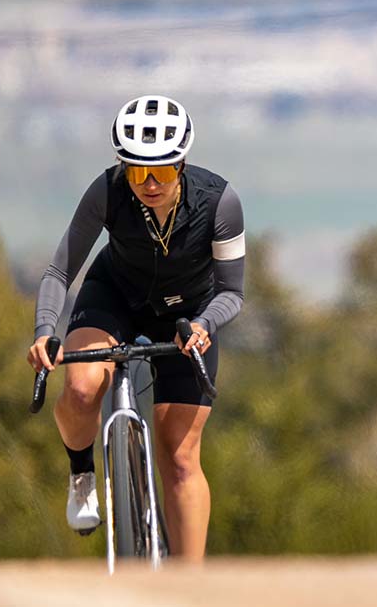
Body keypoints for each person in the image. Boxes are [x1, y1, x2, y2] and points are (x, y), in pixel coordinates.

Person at [26, 95, 245, 562]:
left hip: (188, 317)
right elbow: (60, 272)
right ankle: (83, 473)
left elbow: (233, 292)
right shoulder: (105, 192)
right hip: (115, 297)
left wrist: (204, 325)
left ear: (182, 164)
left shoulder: (220, 202)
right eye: (135, 170)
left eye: (162, 171)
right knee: (83, 389)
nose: (148, 182)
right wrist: (47, 329)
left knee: (181, 456)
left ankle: (189, 586)